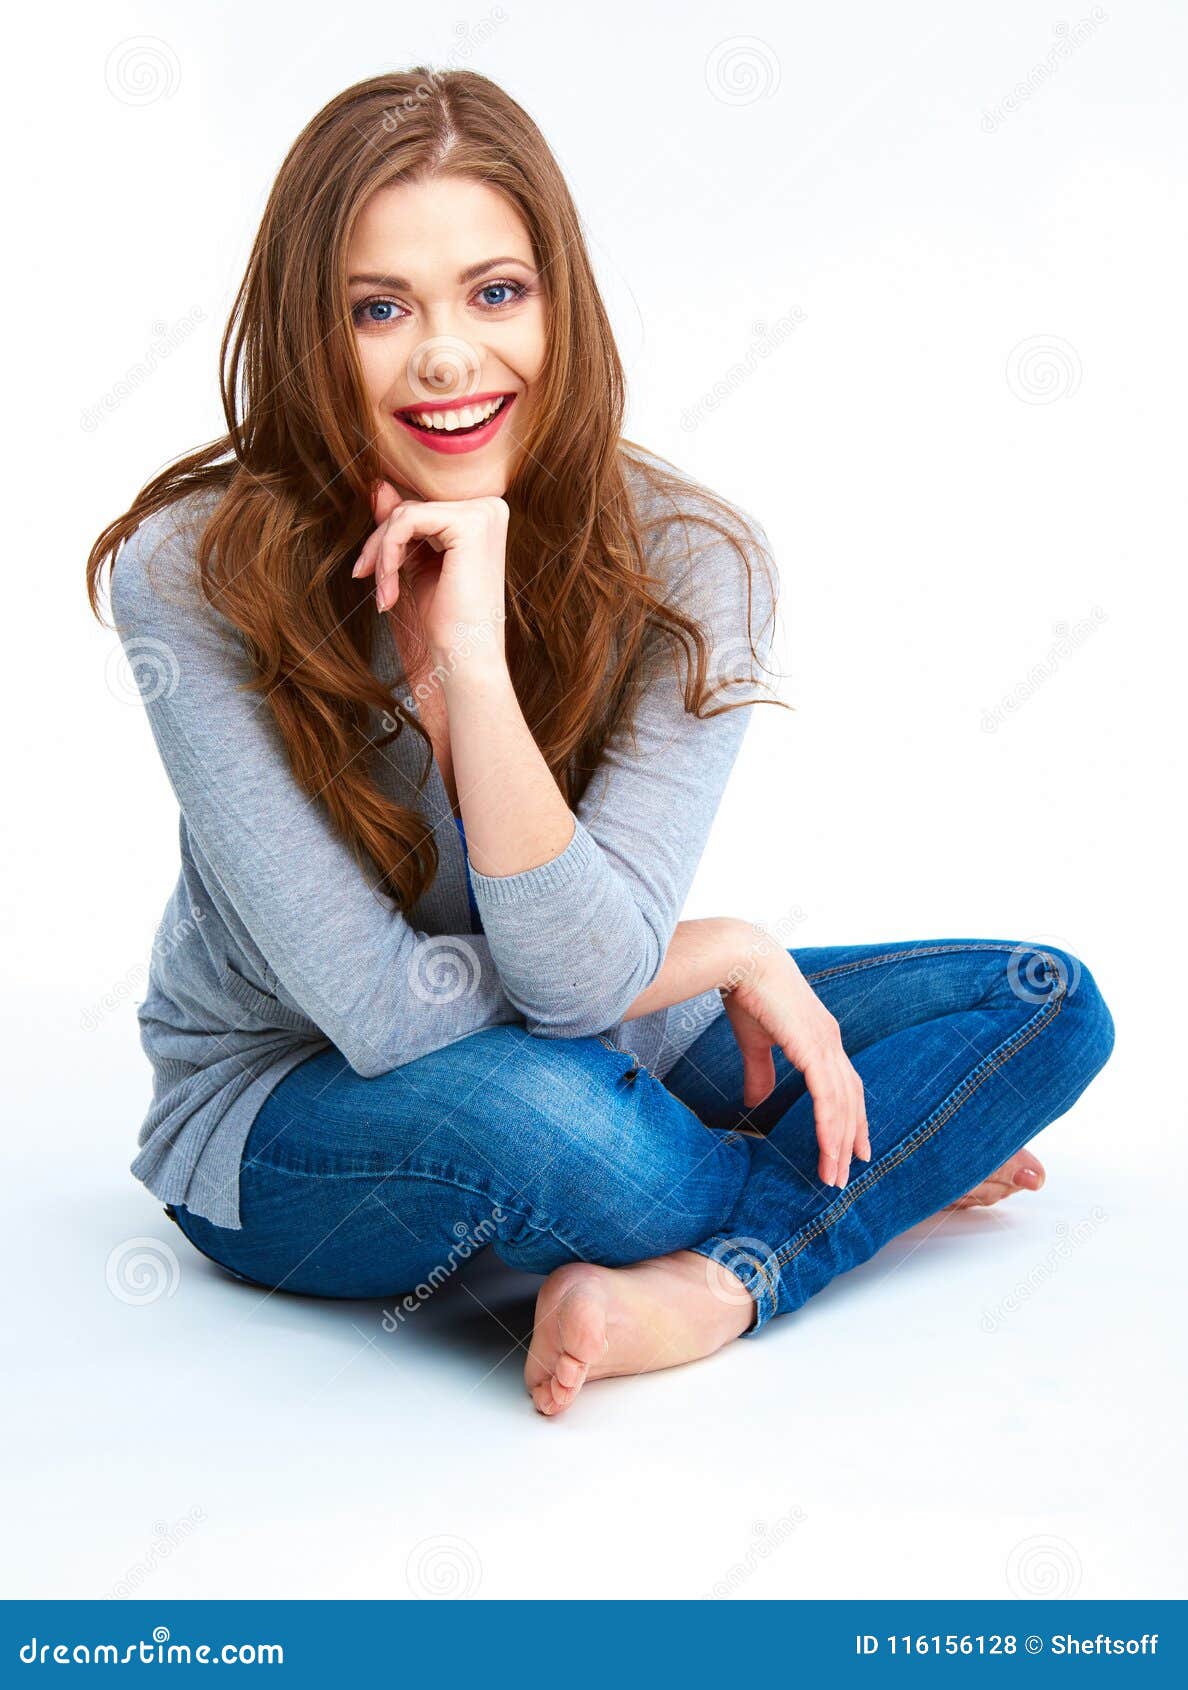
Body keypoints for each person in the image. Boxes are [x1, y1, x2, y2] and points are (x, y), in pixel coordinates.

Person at [87, 68, 1115, 1418]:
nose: (448, 356)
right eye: (379, 309)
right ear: (304, 332)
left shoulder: (697, 561)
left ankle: (717, 1279)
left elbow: (579, 984)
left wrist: (475, 671)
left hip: (598, 1017)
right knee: (562, 1127)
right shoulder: (190, 572)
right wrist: (728, 951)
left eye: (495, 292)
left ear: (562, 303)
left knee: (1039, 1003)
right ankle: (862, 1179)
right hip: (294, 1105)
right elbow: (385, 1012)